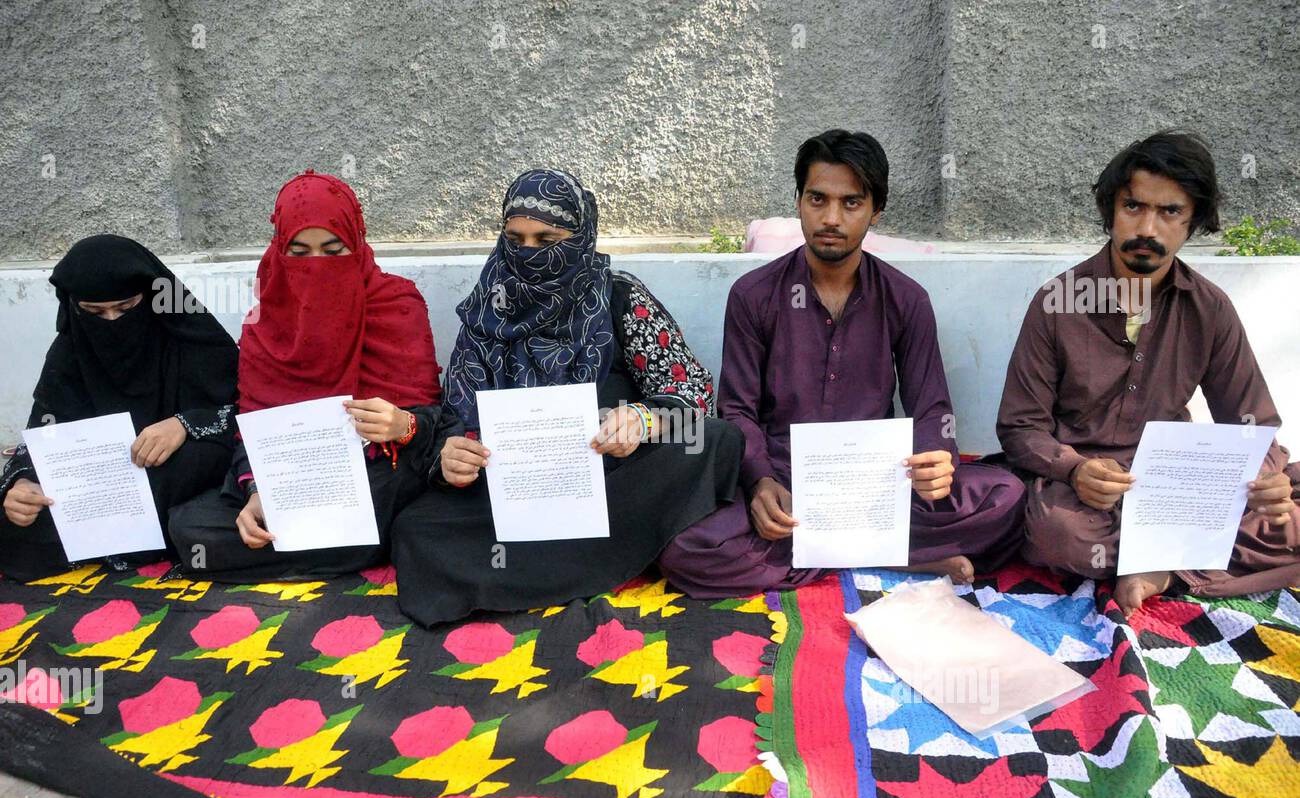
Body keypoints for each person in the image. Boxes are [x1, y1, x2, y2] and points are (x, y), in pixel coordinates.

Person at [659, 130, 1027, 598]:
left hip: (878, 484)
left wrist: (938, 458)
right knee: (686, 549)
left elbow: (932, 407)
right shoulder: (754, 296)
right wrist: (760, 484)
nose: (831, 218)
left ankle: (840, 551)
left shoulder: (905, 299)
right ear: (798, 201)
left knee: (1007, 498)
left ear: (875, 211)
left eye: (851, 203)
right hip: (789, 483)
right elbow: (736, 411)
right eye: (818, 199)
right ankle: (896, 558)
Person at [389, 168, 743, 624]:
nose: (529, 252)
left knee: (716, 440)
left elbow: (691, 390)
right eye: (515, 238)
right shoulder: (489, 306)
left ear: (581, 234)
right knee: (416, 528)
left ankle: (538, 565)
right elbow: (453, 417)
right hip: (512, 488)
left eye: (548, 238)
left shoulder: (620, 297)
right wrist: (450, 456)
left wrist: (642, 419)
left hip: (611, 478)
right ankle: (606, 554)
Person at [997, 130, 1299, 616]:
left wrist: (1263, 479)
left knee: (1283, 511)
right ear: (1110, 211)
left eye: (1170, 212)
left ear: (1193, 221)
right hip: (1088, 490)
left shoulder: (1209, 309)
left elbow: (1252, 425)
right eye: (1133, 207)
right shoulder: (1057, 302)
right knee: (1061, 536)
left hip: (1178, 486)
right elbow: (1019, 426)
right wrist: (1074, 469)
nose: (1148, 228)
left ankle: (1160, 569)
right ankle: (1180, 561)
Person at [168, 170, 452, 581]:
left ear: (356, 244)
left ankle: (330, 544)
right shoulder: (264, 325)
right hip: (290, 477)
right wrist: (256, 492)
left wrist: (403, 425)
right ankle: (338, 547)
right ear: (279, 251)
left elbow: (432, 420)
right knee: (191, 527)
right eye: (299, 253)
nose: (316, 266)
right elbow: (252, 428)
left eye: (333, 250)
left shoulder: (396, 304)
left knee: (391, 507)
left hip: (379, 471)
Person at [0, 235, 238, 581]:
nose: (112, 321)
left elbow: (246, 411)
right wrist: (23, 483)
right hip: (98, 482)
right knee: (13, 513)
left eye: (127, 308)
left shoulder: (191, 336)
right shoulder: (70, 350)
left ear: (155, 297)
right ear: (74, 308)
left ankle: (108, 538)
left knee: (197, 464)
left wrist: (184, 424)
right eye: (94, 312)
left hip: (174, 473)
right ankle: (130, 536)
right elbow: (45, 431)